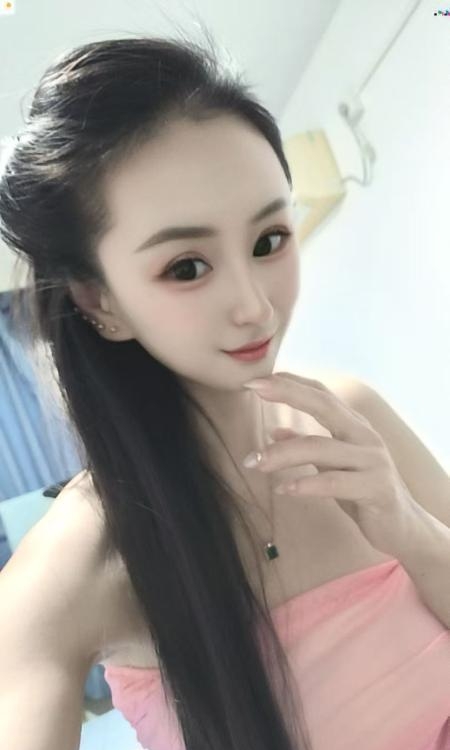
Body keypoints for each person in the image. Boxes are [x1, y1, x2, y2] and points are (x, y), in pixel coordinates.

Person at [0, 31, 449, 750]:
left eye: (269, 240)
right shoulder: (70, 568)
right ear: (99, 302)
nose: (254, 305)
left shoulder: (350, 415)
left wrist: (407, 527)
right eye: (186, 267)